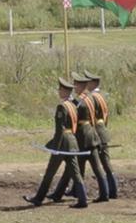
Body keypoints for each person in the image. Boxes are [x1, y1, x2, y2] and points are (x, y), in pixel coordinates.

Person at [31, 78, 86, 208]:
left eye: (60, 89)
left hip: (63, 143)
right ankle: (82, 200)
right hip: (72, 141)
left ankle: (38, 198)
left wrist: (55, 147)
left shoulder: (62, 106)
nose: (58, 92)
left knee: (50, 172)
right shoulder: (72, 105)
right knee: (76, 173)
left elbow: (59, 129)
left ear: (64, 91)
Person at [81, 74, 118, 202]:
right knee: (106, 163)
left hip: (96, 131)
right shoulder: (101, 96)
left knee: (102, 163)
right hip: (103, 129)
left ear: (92, 83)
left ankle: (108, 191)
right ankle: (113, 190)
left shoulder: (92, 97)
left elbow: (91, 117)